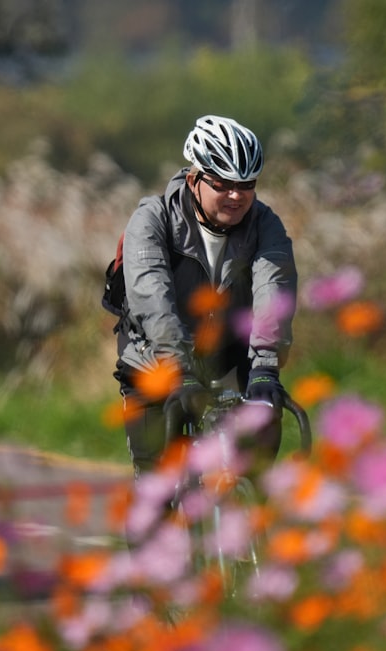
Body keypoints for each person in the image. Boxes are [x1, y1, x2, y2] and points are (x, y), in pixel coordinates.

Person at [113, 114, 298, 479]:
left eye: (246, 185)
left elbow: (272, 287)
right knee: (158, 483)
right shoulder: (153, 219)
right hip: (156, 361)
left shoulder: (265, 224)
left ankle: (247, 524)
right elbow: (152, 297)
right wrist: (178, 367)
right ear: (195, 179)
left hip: (232, 358)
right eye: (223, 184)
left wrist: (264, 367)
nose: (236, 195)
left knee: (257, 460)